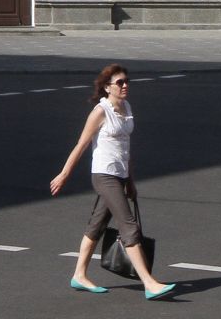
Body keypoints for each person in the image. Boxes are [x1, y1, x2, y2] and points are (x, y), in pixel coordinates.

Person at [49, 63, 176, 300]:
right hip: (104, 174)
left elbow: (125, 149)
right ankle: (149, 283)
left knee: (97, 224)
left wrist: (130, 181)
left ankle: (79, 275)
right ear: (108, 87)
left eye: (127, 81)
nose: (125, 85)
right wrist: (64, 174)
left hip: (120, 174)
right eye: (120, 82)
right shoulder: (101, 111)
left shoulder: (126, 107)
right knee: (128, 225)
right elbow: (82, 144)